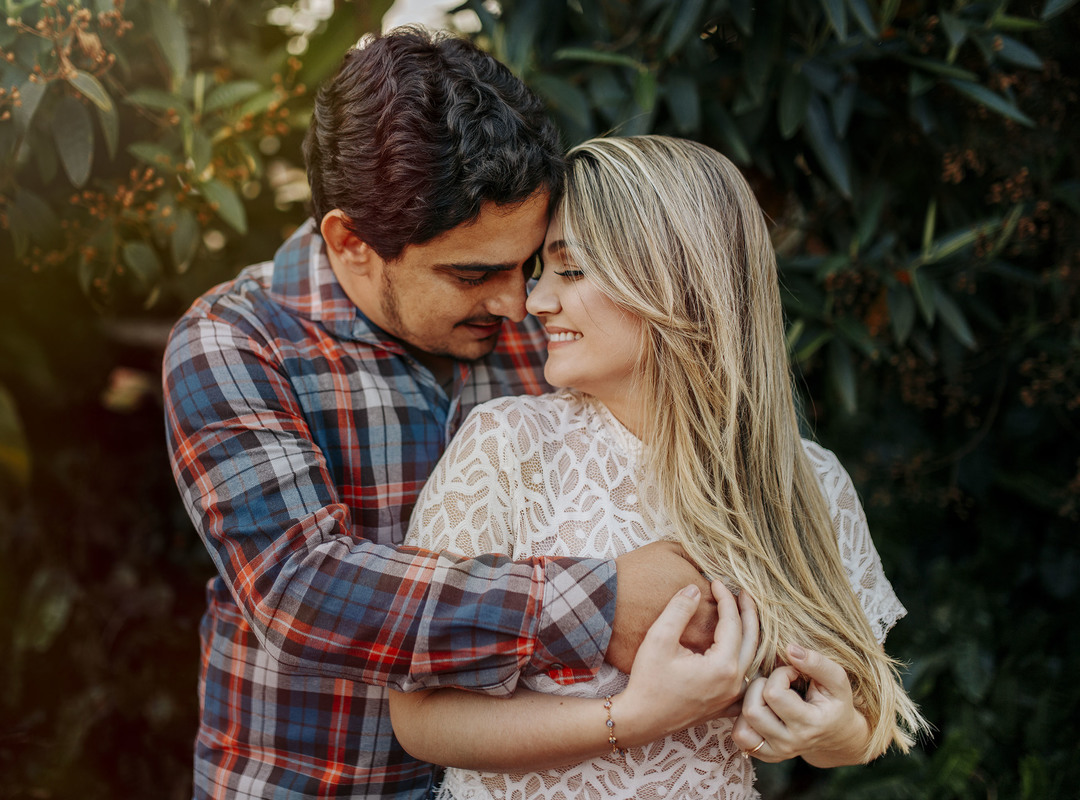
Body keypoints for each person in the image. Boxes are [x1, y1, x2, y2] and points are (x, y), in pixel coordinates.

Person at [162, 30, 717, 800]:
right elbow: (302, 590)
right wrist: (603, 602)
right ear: (352, 242)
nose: (517, 303)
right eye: (472, 274)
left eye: (527, 263)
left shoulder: (550, 331)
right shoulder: (237, 340)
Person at [388, 136, 928, 799]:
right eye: (543, 271)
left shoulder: (810, 482)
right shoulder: (508, 448)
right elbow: (420, 716)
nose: (535, 302)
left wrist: (831, 732)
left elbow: (867, 722)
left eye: (571, 270)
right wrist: (632, 717)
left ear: (677, 282)